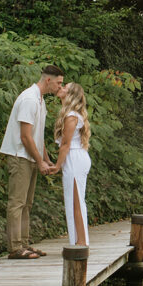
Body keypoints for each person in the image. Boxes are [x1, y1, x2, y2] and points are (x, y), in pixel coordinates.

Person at [0, 64, 63, 259]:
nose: (60, 88)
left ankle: (25, 243)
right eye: (58, 83)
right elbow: (25, 137)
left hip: (30, 156)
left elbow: (37, 135)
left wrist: (46, 159)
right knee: (17, 203)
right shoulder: (29, 99)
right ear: (48, 80)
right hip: (20, 156)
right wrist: (39, 161)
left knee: (27, 203)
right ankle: (15, 248)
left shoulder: (40, 100)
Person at [54, 82, 92, 246]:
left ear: (70, 95)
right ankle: (78, 240)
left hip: (74, 158)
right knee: (72, 200)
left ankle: (82, 242)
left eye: (65, 88)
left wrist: (56, 166)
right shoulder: (70, 114)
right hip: (74, 157)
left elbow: (65, 145)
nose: (61, 88)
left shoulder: (71, 117)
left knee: (76, 201)